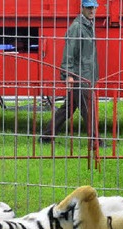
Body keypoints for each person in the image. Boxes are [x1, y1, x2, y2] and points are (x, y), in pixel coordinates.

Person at [40, 0, 105, 148]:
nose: (92, 10)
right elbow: (69, 52)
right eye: (89, 8)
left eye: (94, 7)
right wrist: (69, 74)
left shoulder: (87, 25)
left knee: (67, 109)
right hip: (80, 77)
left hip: (85, 75)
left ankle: (46, 136)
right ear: (82, 8)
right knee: (89, 110)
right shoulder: (77, 27)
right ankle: (96, 142)